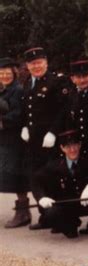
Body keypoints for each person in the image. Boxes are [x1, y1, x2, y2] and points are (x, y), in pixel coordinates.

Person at [20, 47, 70, 230]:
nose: (37, 66)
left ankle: (59, 218)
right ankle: (45, 216)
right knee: (36, 178)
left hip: (51, 141)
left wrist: (53, 132)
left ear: (46, 63)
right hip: (33, 142)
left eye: (40, 62)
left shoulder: (57, 81)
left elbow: (65, 110)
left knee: (53, 178)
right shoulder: (27, 83)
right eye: (32, 63)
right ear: (27, 66)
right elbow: (26, 110)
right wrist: (24, 126)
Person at [31, 130, 88, 238]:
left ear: (80, 145)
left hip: (87, 203)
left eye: (75, 145)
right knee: (51, 214)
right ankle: (70, 224)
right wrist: (41, 198)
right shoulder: (55, 165)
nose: (72, 150)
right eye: (68, 147)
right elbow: (36, 180)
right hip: (68, 206)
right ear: (62, 148)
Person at [0, 57, 30, 228]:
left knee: (17, 175)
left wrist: (3, 122)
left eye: (7, 73)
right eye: (1, 73)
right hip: (5, 139)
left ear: (14, 73)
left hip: (15, 140)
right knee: (9, 174)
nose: (4, 76)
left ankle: (23, 212)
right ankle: (22, 212)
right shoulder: (3, 90)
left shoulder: (17, 90)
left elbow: (19, 113)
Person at [55, 58, 88, 157]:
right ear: (72, 79)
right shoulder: (71, 96)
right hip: (78, 148)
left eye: (85, 76)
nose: (82, 80)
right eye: (78, 77)